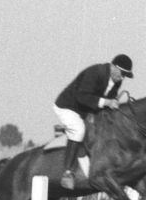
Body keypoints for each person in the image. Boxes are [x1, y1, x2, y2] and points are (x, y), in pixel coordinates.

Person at [54, 54, 134, 189]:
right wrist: (107, 102)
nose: (122, 78)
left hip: (85, 109)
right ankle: (67, 173)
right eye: (122, 73)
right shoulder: (95, 72)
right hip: (68, 107)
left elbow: (108, 100)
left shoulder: (117, 81)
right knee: (79, 130)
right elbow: (82, 97)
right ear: (113, 67)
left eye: (125, 75)